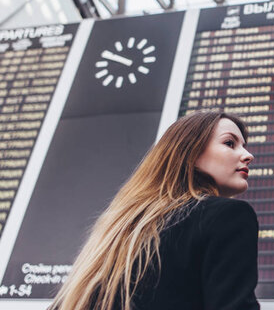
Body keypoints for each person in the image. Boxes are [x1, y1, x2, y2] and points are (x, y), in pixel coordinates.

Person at [48, 111, 259, 310]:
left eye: (244, 145)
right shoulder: (229, 217)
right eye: (229, 143)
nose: (247, 155)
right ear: (189, 153)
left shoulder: (118, 231)